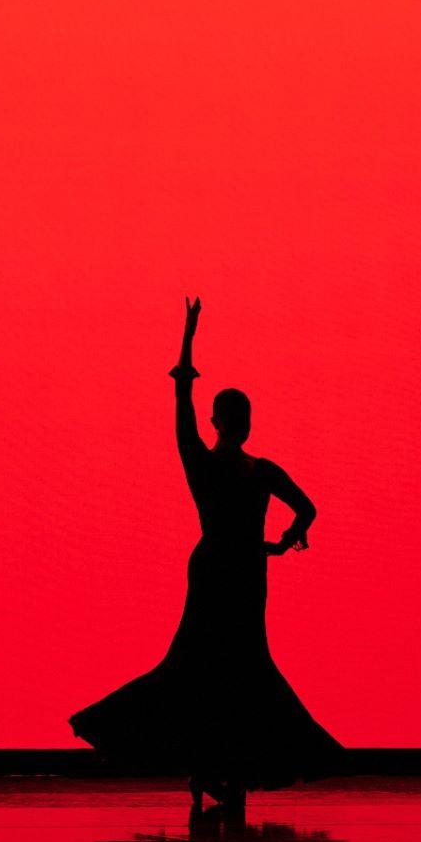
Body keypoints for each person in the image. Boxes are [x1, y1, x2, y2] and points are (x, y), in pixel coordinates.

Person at [71, 297, 343, 813]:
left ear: (219, 421)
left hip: (216, 567)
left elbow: (181, 402)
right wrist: (283, 542)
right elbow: (308, 509)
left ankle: (208, 768)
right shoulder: (261, 471)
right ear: (243, 423)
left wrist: (189, 338)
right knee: (238, 670)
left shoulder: (203, 463)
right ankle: (226, 769)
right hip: (243, 572)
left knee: (200, 668)